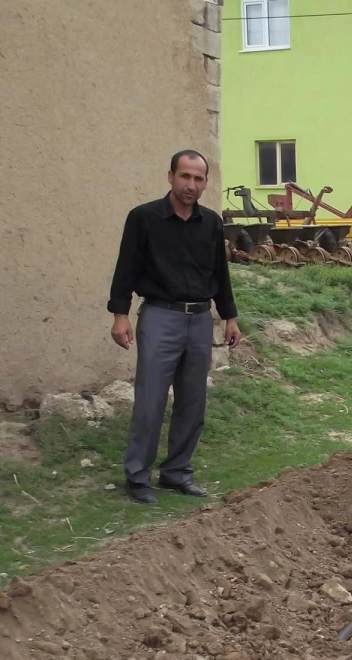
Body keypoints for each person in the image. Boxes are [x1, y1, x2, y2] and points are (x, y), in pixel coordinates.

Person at [108, 150, 243, 505]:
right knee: (150, 401)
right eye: (185, 176)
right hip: (159, 317)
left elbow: (220, 273)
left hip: (199, 320)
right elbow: (126, 268)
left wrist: (229, 316)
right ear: (170, 177)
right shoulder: (143, 218)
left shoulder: (212, 222)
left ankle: (176, 472)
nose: (191, 185)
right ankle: (137, 476)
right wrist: (120, 314)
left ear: (205, 183)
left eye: (198, 179)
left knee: (192, 401)